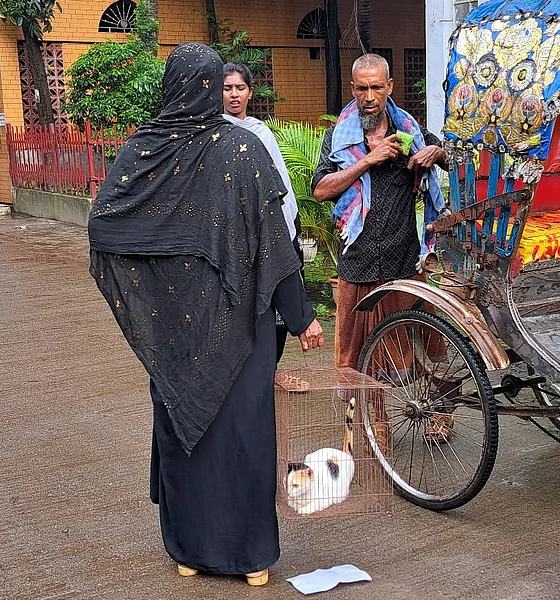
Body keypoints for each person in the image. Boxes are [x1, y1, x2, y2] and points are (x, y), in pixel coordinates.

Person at [88, 42, 324, 587]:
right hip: (241, 322)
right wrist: (300, 314)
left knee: (185, 429)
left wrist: (161, 273)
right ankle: (251, 559)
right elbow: (275, 244)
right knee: (243, 433)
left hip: (175, 327)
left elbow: (107, 226)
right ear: (212, 87)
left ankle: (189, 552)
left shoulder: (143, 150)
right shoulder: (240, 149)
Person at [311, 53, 448, 370]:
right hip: (358, 264)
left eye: (375, 87)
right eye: (361, 89)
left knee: (428, 348)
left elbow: (449, 160)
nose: (369, 97)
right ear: (352, 88)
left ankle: (443, 412)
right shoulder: (339, 138)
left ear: (389, 86)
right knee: (353, 357)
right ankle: (368, 420)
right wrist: (367, 161)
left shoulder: (410, 130)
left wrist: (434, 151)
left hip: (404, 259)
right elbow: (320, 190)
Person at [222, 61, 303, 364]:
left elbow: (279, 184)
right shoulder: (213, 133)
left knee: (271, 317)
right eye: (227, 88)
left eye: (239, 88)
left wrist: (286, 233)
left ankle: (267, 373)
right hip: (233, 241)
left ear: (249, 92)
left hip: (265, 237)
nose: (233, 95)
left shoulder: (260, 132)